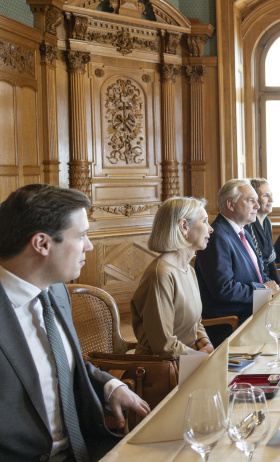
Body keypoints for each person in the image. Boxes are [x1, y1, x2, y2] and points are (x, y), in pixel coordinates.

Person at [0, 184, 149, 461]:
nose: (90, 246)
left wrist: (109, 386)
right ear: (42, 243)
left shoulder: (55, 289)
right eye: (81, 235)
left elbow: (56, 364)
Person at [195, 179, 280, 346]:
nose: (257, 205)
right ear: (231, 204)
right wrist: (263, 289)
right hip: (231, 323)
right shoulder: (217, 237)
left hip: (252, 312)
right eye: (250, 200)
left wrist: (273, 286)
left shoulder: (243, 231)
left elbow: (257, 272)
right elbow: (224, 289)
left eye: (256, 200)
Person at [131, 197, 214, 357]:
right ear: (184, 227)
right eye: (204, 221)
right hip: (161, 370)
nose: (210, 229)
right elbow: (165, 345)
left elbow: (195, 324)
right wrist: (202, 359)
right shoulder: (160, 274)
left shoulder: (188, 269)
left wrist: (207, 345)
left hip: (185, 361)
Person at [244, 178, 280, 284]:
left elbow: (271, 260)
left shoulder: (267, 221)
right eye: (265, 195)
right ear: (254, 199)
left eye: (271, 194)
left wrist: (279, 284)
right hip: (258, 283)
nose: (271, 199)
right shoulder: (247, 224)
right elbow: (254, 264)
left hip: (268, 280)